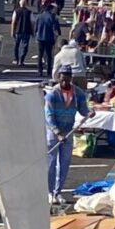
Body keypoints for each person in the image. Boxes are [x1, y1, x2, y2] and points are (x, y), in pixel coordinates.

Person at [45, 65, 90, 204]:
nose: (64, 82)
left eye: (67, 79)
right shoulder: (52, 94)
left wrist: (89, 112)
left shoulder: (78, 93)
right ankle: (49, 191)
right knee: (51, 162)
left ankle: (58, 191)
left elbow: (83, 109)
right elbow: (48, 114)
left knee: (64, 163)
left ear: (71, 78)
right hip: (54, 132)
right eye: (62, 79)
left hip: (68, 130)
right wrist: (57, 132)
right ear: (58, 78)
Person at [34, 4, 61, 78]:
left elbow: (35, 28)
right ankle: (49, 71)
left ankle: (40, 71)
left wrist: (36, 35)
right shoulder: (52, 17)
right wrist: (56, 37)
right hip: (49, 38)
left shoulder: (39, 16)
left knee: (40, 55)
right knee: (49, 55)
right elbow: (55, 30)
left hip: (40, 38)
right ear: (51, 9)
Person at [11, 0, 34, 67]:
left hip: (18, 30)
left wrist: (12, 31)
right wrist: (33, 31)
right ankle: (21, 59)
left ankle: (16, 59)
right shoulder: (29, 12)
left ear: (19, 4)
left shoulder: (16, 11)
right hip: (26, 30)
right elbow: (32, 22)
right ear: (26, 4)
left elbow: (13, 22)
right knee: (25, 46)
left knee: (16, 45)